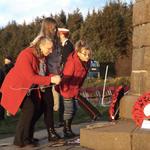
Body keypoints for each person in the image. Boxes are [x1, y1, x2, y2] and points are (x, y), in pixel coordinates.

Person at [0, 37, 61, 147]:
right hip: (17, 88)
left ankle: (26, 137)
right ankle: (21, 140)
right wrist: (50, 80)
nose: (51, 51)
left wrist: (53, 76)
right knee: (30, 109)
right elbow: (30, 77)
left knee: (37, 108)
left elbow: (43, 73)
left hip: (27, 88)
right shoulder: (26, 55)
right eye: (49, 48)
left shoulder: (42, 56)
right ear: (41, 46)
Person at [29, 17, 62, 142]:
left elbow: (56, 59)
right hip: (42, 78)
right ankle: (48, 132)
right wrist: (42, 80)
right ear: (47, 27)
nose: (55, 29)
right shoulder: (39, 40)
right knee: (44, 106)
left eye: (55, 27)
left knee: (46, 106)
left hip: (51, 77)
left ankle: (40, 132)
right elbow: (36, 58)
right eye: (53, 27)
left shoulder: (55, 40)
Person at [57, 40, 92, 138]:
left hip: (75, 88)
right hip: (66, 88)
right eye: (84, 54)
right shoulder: (72, 62)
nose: (87, 56)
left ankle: (67, 128)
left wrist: (78, 89)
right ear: (78, 53)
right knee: (69, 110)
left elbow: (82, 77)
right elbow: (66, 78)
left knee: (74, 109)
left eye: (89, 54)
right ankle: (66, 130)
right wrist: (66, 90)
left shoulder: (86, 62)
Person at [54, 28, 74, 127]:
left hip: (65, 74)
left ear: (62, 34)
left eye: (59, 33)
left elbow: (65, 61)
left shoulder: (68, 46)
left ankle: (64, 121)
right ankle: (62, 120)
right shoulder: (62, 45)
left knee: (65, 99)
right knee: (62, 99)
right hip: (62, 73)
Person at [0, 55, 14, 120]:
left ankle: (6, 114)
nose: (5, 61)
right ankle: (7, 113)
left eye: (7, 60)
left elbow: (4, 72)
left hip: (7, 84)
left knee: (5, 100)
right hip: (7, 84)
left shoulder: (8, 66)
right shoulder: (12, 66)